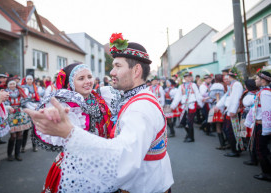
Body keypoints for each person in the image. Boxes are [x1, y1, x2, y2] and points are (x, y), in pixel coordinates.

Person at [26, 34, 173, 193]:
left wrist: (70, 133)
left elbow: (123, 158)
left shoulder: (139, 108)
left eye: (117, 66)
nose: (112, 72)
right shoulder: (136, 99)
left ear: (136, 70)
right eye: (81, 78)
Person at [32, 63, 119, 193]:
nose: (88, 81)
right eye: (81, 78)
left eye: (89, 76)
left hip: (104, 161)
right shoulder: (68, 105)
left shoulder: (101, 97)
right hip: (77, 166)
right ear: (70, 83)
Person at [245, 70, 271, 182]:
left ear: (263, 80)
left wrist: (267, 128)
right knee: (261, 149)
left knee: (261, 150)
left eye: (257, 79)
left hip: (262, 126)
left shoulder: (265, 93)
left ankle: (267, 173)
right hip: (260, 125)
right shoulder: (263, 91)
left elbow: (267, 112)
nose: (255, 80)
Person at [216, 68, 244, 157]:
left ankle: (235, 150)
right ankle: (235, 148)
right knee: (228, 130)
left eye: (228, 75)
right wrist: (218, 106)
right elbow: (226, 97)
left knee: (231, 131)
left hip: (231, 111)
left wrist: (232, 110)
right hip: (229, 110)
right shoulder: (232, 85)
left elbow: (236, 98)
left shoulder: (236, 84)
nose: (226, 77)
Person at [5, 78, 32, 161]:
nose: (12, 85)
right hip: (11, 113)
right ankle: (9, 154)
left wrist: (22, 102)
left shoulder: (20, 91)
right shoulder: (5, 93)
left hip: (20, 113)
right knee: (13, 135)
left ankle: (17, 154)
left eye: (13, 84)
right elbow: (4, 103)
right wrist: (9, 107)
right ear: (8, 85)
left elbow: (27, 98)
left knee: (20, 134)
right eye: (10, 84)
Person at [171, 71, 203, 142]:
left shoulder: (193, 85)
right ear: (184, 78)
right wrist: (172, 106)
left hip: (191, 104)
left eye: (189, 77)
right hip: (184, 106)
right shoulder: (181, 86)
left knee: (190, 121)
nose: (189, 78)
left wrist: (201, 103)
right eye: (187, 77)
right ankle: (188, 133)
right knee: (182, 121)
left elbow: (197, 94)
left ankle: (191, 137)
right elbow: (177, 97)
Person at [241, 79, 259, 165]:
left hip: (248, 118)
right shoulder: (258, 92)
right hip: (255, 118)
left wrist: (244, 109)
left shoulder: (248, 94)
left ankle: (253, 158)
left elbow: (247, 107)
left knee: (249, 137)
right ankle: (254, 157)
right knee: (252, 137)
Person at [21, 75, 40, 152]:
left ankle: (34, 146)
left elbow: (38, 97)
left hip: (35, 108)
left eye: (30, 79)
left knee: (34, 129)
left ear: (32, 80)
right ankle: (23, 147)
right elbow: (23, 100)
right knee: (26, 129)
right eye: (28, 79)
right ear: (26, 80)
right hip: (27, 109)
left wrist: (37, 105)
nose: (29, 80)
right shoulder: (23, 88)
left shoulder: (36, 87)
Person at [209, 74, 226, 149]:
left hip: (218, 106)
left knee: (218, 126)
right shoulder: (225, 85)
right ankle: (226, 142)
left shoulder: (216, 86)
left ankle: (222, 144)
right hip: (226, 106)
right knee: (225, 126)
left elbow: (214, 95)